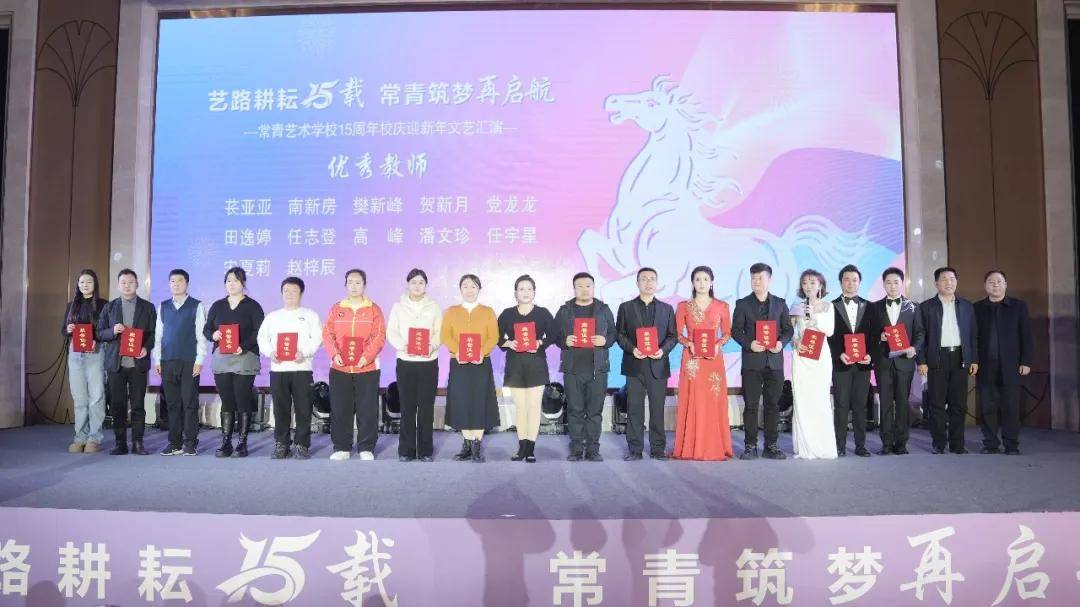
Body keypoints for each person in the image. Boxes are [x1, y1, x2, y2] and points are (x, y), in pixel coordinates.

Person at [731, 262, 794, 460]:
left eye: (760, 278)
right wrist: (750, 344)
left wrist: (781, 343)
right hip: (752, 363)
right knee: (750, 405)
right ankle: (750, 446)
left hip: (774, 363)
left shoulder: (780, 303)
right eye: (753, 278)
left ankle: (771, 446)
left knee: (772, 405)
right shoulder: (742, 304)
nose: (756, 281)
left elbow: (788, 329)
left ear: (769, 279)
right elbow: (736, 331)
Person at [322, 269, 386, 461]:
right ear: (345, 285)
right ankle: (342, 447)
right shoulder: (336, 309)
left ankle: (366, 447)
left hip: (366, 368)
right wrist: (335, 354)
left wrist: (366, 357)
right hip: (340, 368)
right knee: (341, 409)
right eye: (350, 282)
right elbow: (328, 333)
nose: (354, 286)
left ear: (364, 285)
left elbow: (379, 335)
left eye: (358, 282)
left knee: (367, 410)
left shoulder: (374, 309)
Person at [552, 272, 617, 462]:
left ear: (593, 287)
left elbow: (614, 334)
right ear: (574, 288)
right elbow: (555, 335)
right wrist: (564, 341)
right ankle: (576, 448)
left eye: (588, 285)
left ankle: (593, 449)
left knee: (595, 411)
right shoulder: (565, 310)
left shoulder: (603, 309)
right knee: (575, 410)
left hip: (598, 368)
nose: (584, 289)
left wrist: (605, 340)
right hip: (572, 368)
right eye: (579, 286)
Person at [615, 267, 677, 461]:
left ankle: (658, 449)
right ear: (637, 283)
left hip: (658, 365)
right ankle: (635, 449)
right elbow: (619, 334)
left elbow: (673, 336)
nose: (648, 282)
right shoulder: (626, 307)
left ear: (657, 283)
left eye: (652, 279)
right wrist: (632, 349)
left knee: (657, 409)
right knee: (634, 409)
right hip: (634, 364)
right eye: (644, 279)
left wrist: (663, 350)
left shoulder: (667, 309)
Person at [672, 266, 733, 461]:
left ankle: (715, 445)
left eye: (705, 279)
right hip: (692, 359)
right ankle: (690, 447)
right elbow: (676, 333)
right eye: (697, 279)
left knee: (712, 401)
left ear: (712, 282)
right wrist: (688, 343)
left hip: (713, 359)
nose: (702, 283)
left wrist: (718, 344)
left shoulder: (722, 306)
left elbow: (727, 333)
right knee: (693, 399)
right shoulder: (684, 306)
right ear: (692, 283)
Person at [257, 276, 322, 460]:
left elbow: (317, 338)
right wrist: (270, 352)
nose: (290, 294)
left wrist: (305, 352)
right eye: (286, 291)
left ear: (301, 293)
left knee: (303, 409)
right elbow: (262, 338)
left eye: (294, 291)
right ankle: (282, 444)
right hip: (278, 370)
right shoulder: (273, 316)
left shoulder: (310, 315)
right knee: (280, 409)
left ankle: (302, 444)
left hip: (302, 369)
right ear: (281, 293)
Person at [204, 266, 265, 458]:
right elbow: (207, 329)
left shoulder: (253, 306)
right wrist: (213, 335)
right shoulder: (218, 305)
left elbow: (259, 332)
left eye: (236, 280)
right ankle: (226, 442)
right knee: (227, 401)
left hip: (244, 358)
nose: (231, 284)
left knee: (242, 399)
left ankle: (242, 443)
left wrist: (243, 346)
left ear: (243, 283)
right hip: (222, 359)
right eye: (228, 280)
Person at [96, 268, 157, 455]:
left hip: (138, 364)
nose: (127, 285)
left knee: (138, 405)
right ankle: (120, 443)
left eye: (131, 282)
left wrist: (146, 348)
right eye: (123, 282)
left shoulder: (148, 307)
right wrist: (112, 331)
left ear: (137, 284)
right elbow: (99, 333)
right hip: (116, 364)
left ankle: (138, 443)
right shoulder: (110, 307)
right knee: (118, 405)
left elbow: (155, 334)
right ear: (118, 285)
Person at [918, 266, 979, 454]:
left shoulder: (967, 306)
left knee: (958, 404)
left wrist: (973, 359)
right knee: (936, 403)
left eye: (952, 279)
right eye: (944, 279)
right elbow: (920, 336)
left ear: (956, 282)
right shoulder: (926, 307)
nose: (949, 282)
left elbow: (973, 335)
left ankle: (957, 443)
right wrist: (921, 361)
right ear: (936, 283)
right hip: (937, 358)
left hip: (960, 357)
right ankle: (938, 443)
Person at [441, 274, 500, 462]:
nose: (469, 290)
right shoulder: (451, 311)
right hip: (459, 363)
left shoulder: (487, 311)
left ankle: (476, 444)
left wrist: (481, 352)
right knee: (462, 402)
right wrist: (457, 351)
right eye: (465, 286)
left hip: (481, 363)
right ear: (460, 289)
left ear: (479, 289)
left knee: (479, 402)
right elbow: (445, 335)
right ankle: (466, 442)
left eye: (473, 286)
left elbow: (493, 337)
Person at [974, 270, 1034, 455]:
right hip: (985, 365)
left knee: (1010, 406)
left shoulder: (1018, 306)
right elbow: (973, 338)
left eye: (999, 281)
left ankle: (1011, 444)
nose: (995, 285)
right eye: (991, 282)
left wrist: (1026, 361)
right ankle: (990, 443)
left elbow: (1026, 335)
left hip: (1011, 365)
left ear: (1006, 285)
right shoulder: (977, 308)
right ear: (985, 286)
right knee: (987, 407)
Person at [385, 268, 442, 462]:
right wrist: (404, 346)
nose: (417, 286)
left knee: (426, 408)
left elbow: (439, 332)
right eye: (413, 282)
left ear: (426, 285)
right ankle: (406, 450)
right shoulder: (398, 307)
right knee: (408, 407)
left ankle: (425, 451)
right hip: (406, 362)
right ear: (407, 284)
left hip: (428, 362)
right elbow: (391, 331)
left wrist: (431, 346)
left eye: (421, 282)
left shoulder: (434, 307)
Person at [497, 275, 554, 462]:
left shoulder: (542, 313)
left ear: (534, 292)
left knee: (534, 406)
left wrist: (540, 343)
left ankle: (531, 448)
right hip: (515, 365)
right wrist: (508, 343)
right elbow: (495, 336)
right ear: (515, 293)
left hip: (536, 364)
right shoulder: (507, 314)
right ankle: (521, 447)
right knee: (520, 407)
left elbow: (554, 334)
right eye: (521, 289)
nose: (525, 292)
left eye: (529, 289)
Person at [152, 269, 208, 456]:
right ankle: (174, 442)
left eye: (180, 280)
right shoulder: (163, 306)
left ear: (187, 283)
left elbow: (201, 335)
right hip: (167, 360)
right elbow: (158, 335)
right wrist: (157, 359)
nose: (176, 284)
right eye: (172, 281)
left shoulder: (196, 306)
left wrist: (199, 359)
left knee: (190, 403)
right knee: (172, 404)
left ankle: (190, 442)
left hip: (189, 361)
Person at [868, 267, 924, 455]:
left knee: (902, 403)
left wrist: (914, 348)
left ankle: (901, 443)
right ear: (883, 284)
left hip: (904, 362)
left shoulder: (913, 306)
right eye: (888, 283)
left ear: (902, 283)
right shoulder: (874, 307)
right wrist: (879, 336)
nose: (892, 286)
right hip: (883, 362)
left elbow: (920, 332)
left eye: (896, 282)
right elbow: (869, 333)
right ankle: (886, 443)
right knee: (885, 403)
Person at [789, 269, 837, 460]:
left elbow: (830, 331)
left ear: (820, 285)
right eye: (804, 283)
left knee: (819, 398)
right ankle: (804, 446)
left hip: (820, 356)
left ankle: (822, 446)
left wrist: (814, 316)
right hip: (802, 356)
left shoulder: (828, 306)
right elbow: (790, 332)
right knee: (802, 399)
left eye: (812, 283)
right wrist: (795, 342)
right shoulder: (796, 307)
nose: (808, 286)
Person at [828, 265, 873, 457]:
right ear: (840, 282)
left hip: (863, 365)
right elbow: (829, 336)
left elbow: (874, 335)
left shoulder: (869, 306)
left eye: (854, 280)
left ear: (860, 282)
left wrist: (870, 355)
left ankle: (860, 445)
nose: (851, 283)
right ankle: (839, 445)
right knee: (841, 405)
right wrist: (839, 353)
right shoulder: (831, 306)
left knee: (860, 405)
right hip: (841, 364)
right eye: (846, 279)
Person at [63, 269, 109, 454]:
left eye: (89, 282)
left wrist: (95, 337)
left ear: (95, 284)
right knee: (79, 397)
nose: (85, 285)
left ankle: (94, 438)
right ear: (78, 284)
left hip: (95, 352)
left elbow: (107, 330)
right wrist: (68, 329)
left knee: (96, 396)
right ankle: (80, 437)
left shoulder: (103, 304)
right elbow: (63, 330)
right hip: (75, 354)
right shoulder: (71, 305)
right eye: (82, 282)